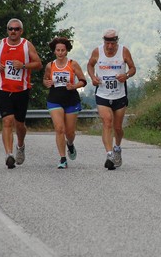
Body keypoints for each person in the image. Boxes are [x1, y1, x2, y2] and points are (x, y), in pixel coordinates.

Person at [0, 18, 42, 169]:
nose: (13, 31)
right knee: (7, 121)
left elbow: (38, 63)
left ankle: (20, 145)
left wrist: (24, 65)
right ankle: (8, 154)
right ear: (7, 30)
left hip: (22, 90)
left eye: (16, 29)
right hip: (4, 89)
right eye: (10, 28)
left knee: (20, 124)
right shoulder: (0, 44)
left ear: (21, 31)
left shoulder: (26, 45)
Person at [87, 28, 136, 170]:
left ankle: (117, 148)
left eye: (112, 43)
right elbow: (90, 64)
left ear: (116, 41)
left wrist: (126, 75)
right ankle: (109, 155)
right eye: (107, 43)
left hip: (119, 94)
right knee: (107, 122)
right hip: (102, 93)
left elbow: (133, 68)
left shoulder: (124, 51)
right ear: (104, 41)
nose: (109, 46)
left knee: (118, 127)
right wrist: (93, 77)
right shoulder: (97, 51)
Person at [43, 37, 87, 169]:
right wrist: (47, 83)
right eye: (58, 50)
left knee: (70, 132)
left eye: (63, 50)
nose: (60, 52)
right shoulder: (50, 66)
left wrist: (74, 86)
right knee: (59, 129)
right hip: (55, 99)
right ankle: (62, 158)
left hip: (71, 99)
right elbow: (45, 80)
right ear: (54, 51)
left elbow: (83, 80)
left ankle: (70, 144)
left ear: (67, 51)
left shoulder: (73, 64)